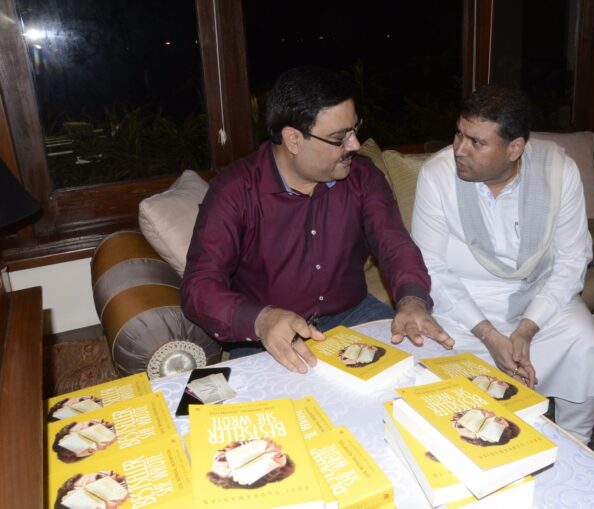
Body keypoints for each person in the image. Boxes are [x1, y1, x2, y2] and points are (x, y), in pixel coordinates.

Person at [181, 66, 453, 373]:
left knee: (430, 376)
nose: (354, 144)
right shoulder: (234, 190)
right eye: (340, 137)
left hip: (354, 314)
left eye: (354, 129)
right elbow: (199, 286)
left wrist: (412, 298)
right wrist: (259, 319)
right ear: (294, 140)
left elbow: (395, 245)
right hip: (269, 332)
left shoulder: (363, 177)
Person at [410, 84, 594, 443]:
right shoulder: (437, 174)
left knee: (581, 342)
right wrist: (489, 334)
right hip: (460, 310)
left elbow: (571, 260)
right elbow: (430, 267)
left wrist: (525, 329)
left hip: (539, 299)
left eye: (477, 142)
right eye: (459, 134)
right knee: (426, 374)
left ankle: (576, 445)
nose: (459, 149)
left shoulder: (558, 173)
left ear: (515, 148)